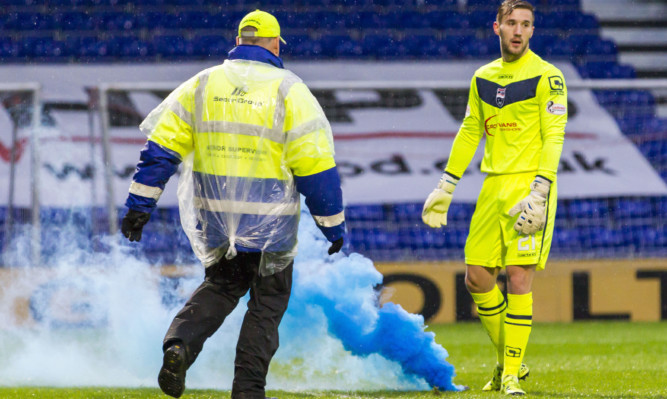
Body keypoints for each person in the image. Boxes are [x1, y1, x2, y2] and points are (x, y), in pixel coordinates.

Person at [120, 9, 345, 399]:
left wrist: (140, 206)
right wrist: (332, 224)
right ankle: (247, 389)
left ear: (238, 40)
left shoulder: (203, 84)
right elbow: (315, 167)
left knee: (221, 287)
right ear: (275, 44)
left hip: (217, 222)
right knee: (267, 304)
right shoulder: (290, 90)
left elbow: (159, 150)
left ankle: (179, 343)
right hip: (270, 225)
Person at [422, 0, 566, 396]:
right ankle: (510, 359)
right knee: (476, 277)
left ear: (532, 31)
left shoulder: (548, 77)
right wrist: (446, 185)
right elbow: (471, 130)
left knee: (519, 277)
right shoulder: (483, 77)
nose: (518, 30)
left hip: (529, 186)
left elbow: (554, 135)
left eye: (526, 24)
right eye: (511, 23)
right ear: (497, 28)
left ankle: (509, 377)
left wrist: (541, 188)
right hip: (492, 184)